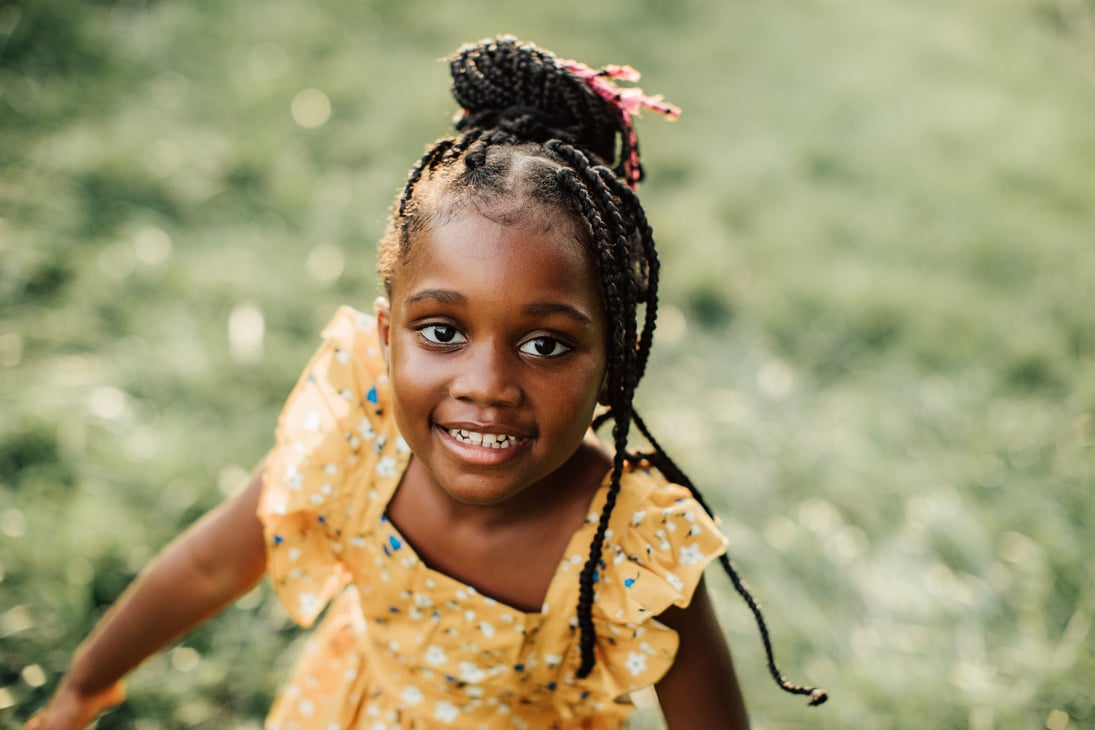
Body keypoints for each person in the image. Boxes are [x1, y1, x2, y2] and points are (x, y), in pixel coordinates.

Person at [26, 36, 826, 730]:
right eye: (441, 332)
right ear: (385, 339)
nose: (486, 384)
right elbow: (210, 565)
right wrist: (84, 686)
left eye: (545, 344)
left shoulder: (629, 546)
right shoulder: (359, 436)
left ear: (615, 363)